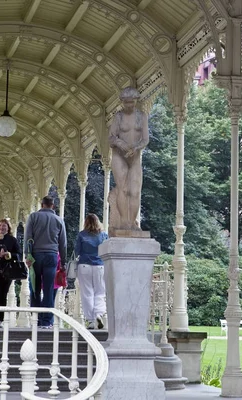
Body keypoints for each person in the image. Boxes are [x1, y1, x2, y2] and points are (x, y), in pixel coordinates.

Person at [108, 87, 149, 231]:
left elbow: (145, 139)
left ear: (135, 101)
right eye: (126, 103)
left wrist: (136, 148)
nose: (129, 105)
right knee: (123, 189)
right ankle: (124, 222)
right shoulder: (118, 117)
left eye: (132, 102)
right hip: (120, 155)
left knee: (135, 191)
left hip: (135, 156)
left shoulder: (142, 116)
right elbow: (111, 137)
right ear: (122, 102)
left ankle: (132, 223)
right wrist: (121, 144)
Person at [24, 195, 67, 328]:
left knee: (35, 287)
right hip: (51, 256)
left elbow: (28, 238)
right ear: (52, 206)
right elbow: (63, 243)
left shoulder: (33, 217)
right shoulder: (59, 220)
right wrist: (63, 262)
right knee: (48, 288)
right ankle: (47, 321)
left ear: (41, 205)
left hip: (36, 255)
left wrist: (27, 255)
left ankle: (36, 318)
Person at [75, 214, 108, 329]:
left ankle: (90, 320)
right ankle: (98, 313)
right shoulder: (103, 235)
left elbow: (77, 251)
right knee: (100, 292)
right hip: (99, 265)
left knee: (87, 293)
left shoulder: (82, 235)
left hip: (84, 265)